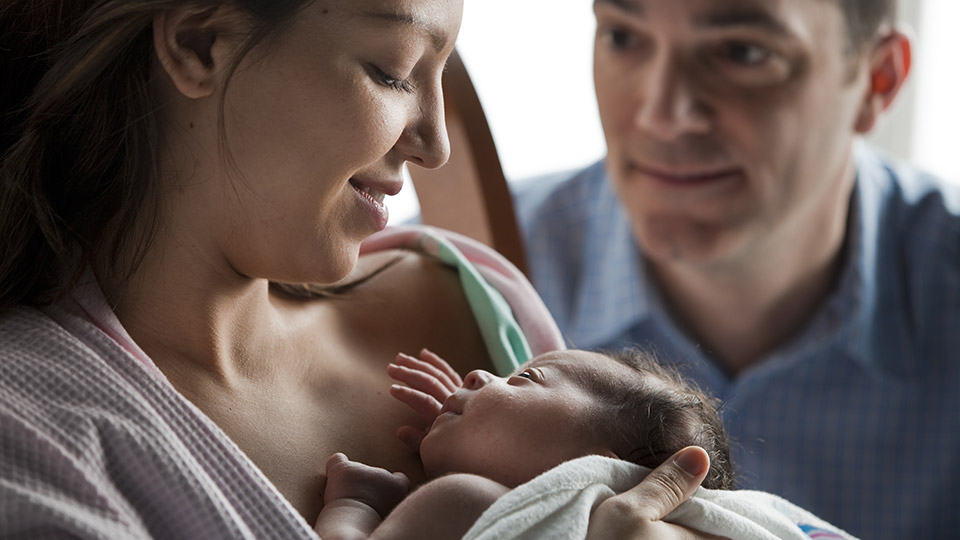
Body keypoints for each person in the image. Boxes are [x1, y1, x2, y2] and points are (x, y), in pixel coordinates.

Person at [0, 1, 717, 538]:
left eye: (442, 74)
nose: (435, 142)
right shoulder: (32, 434)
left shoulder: (471, 291)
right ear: (200, 42)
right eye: (393, 71)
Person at [512, 0, 960, 539]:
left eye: (742, 52)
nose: (662, 113)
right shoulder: (459, 269)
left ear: (876, 81)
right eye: (624, 37)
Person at [314, 348, 857, 540]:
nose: (478, 373)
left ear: (603, 468)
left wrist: (357, 505)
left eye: (526, 378)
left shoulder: (462, 500)